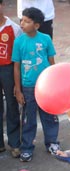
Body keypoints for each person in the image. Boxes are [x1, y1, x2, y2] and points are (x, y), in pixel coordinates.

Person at [12, 7, 60, 162]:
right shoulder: (19, 41)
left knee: (49, 115)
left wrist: (54, 83)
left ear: (37, 25)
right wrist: (18, 90)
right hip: (28, 87)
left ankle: (52, 142)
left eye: (27, 21)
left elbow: (52, 62)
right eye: (22, 20)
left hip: (46, 86)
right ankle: (26, 147)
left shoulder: (45, 39)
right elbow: (16, 67)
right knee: (28, 118)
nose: (22, 24)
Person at [0, 0, 22, 158]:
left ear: (2, 5)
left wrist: (17, 82)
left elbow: (18, 58)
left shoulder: (13, 28)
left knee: (12, 105)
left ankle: (15, 143)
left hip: (8, 69)